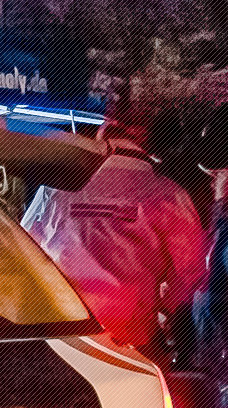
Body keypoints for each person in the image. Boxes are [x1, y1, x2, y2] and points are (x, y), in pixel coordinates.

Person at [23, 111, 208, 363]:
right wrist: (169, 317)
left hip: (59, 333)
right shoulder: (168, 195)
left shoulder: (55, 189)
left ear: (104, 132)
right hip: (127, 340)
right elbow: (190, 275)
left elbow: (22, 250)